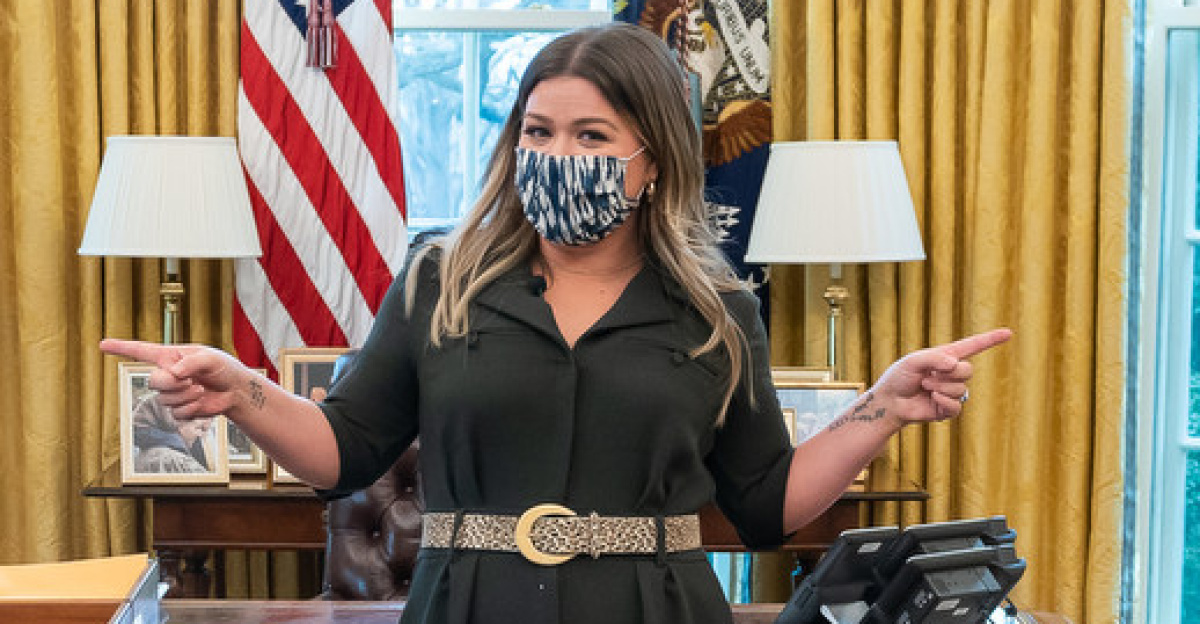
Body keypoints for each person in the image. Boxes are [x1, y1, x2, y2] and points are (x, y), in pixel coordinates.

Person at [99, 23, 1011, 624]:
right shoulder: (437, 278)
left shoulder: (718, 307)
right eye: (537, 133)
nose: (555, 157)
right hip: (467, 603)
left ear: (653, 160)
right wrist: (244, 391)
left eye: (591, 137)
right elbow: (345, 450)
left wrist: (881, 409)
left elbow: (765, 503)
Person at [131, 393, 213, 474]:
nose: (201, 436)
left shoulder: (141, 457)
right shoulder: (174, 460)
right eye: (199, 428)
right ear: (177, 424)